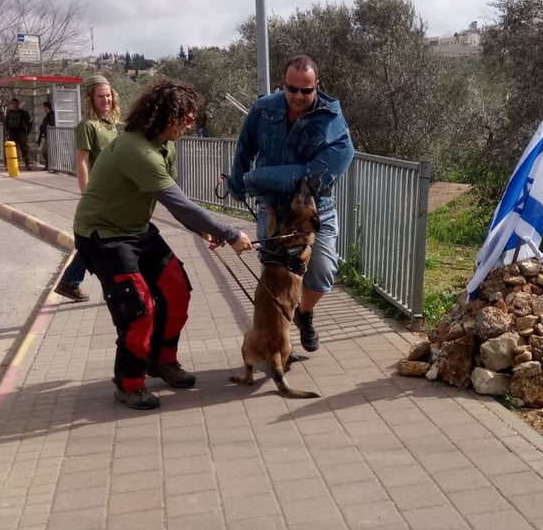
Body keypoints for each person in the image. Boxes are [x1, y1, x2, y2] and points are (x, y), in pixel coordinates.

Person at [73, 79, 254, 410]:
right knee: (138, 307)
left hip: (136, 229)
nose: (190, 124)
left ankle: (161, 360)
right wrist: (230, 234)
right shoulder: (137, 150)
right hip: (102, 235)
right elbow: (181, 204)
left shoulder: (163, 146)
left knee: (176, 290)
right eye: (184, 117)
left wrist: (202, 230)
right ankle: (129, 384)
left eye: (192, 117)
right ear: (164, 116)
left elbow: (174, 202)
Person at [228, 54, 354, 353]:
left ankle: (305, 313)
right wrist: (237, 183)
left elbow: (310, 178)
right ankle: (279, 341)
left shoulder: (332, 121)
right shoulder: (263, 109)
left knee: (322, 270)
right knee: (275, 276)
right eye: (291, 88)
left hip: (315, 210)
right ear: (283, 85)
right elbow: (244, 148)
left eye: (306, 90)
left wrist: (255, 178)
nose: (298, 96)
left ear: (317, 87)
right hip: (272, 208)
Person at [54, 75, 120, 303]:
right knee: (105, 239)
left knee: (99, 239)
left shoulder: (110, 123)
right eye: (101, 96)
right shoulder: (87, 125)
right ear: (91, 98)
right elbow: (82, 161)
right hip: (100, 193)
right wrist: (87, 194)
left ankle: (70, 282)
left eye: (108, 95)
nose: (106, 100)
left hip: (115, 190)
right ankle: (114, 286)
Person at [3, 98, 33, 170]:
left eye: (15, 103)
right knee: (12, 149)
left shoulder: (23, 113)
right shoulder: (9, 113)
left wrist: (27, 132)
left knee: (24, 149)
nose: (14, 105)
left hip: (21, 133)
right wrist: (6, 131)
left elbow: (30, 122)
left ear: (18, 104)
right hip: (12, 133)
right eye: (13, 104)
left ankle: (27, 164)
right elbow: (6, 123)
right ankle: (13, 165)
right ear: (11, 105)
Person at [35, 100, 55, 170]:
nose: (43, 109)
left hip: (51, 136)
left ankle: (49, 165)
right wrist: (39, 139)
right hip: (47, 136)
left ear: (46, 107)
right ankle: (49, 165)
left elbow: (52, 125)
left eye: (44, 107)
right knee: (45, 152)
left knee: (45, 152)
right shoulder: (46, 117)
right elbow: (42, 129)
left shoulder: (52, 116)